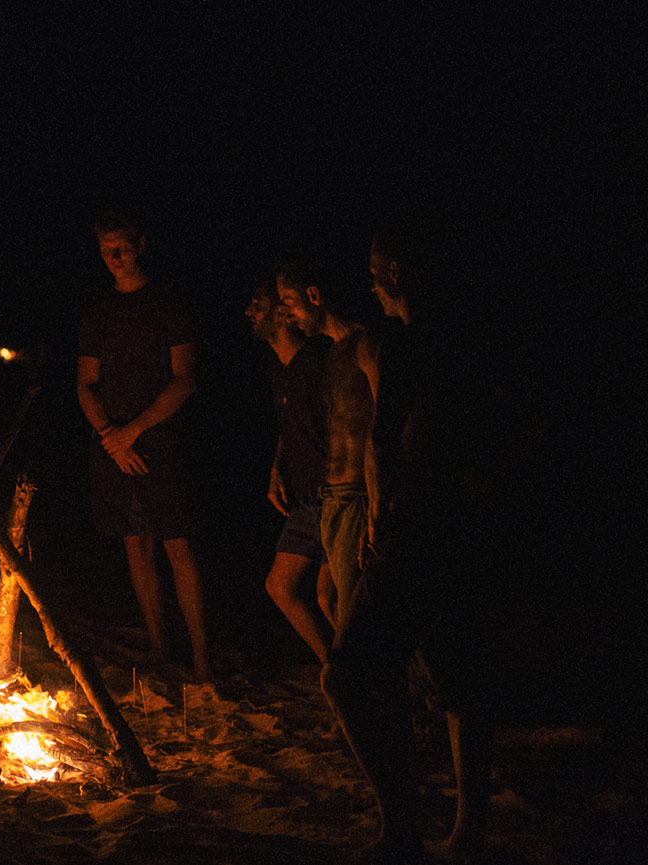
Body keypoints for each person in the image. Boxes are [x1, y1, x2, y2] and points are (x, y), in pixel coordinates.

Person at [323, 224, 494, 864]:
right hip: (464, 525)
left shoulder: (402, 342)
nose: (369, 281)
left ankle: (402, 828)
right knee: (460, 682)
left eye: (375, 269)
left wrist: (377, 523)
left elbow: (381, 436)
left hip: (418, 527)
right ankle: (468, 831)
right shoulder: (470, 338)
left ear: (395, 270)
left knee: (346, 675)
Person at [77, 212, 211, 683]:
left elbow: (185, 379)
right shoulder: (98, 312)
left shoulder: (167, 305)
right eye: (106, 249)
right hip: (114, 449)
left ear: (141, 244)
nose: (114, 257)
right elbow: (85, 384)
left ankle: (201, 659)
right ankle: (159, 648)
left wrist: (133, 431)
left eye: (123, 247)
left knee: (177, 546)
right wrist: (111, 440)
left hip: (161, 444)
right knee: (135, 545)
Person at [276, 261, 377, 635]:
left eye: (290, 300)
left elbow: (383, 431)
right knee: (332, 602)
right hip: (333, 498)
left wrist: (377, 509)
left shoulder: (367, 346)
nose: (286, 313)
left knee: (357, 613)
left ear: (315, 296)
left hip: (357, 496)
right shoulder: (333, 352)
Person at [245, 276, 336, 663]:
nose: (249, 312)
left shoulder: (316, 364)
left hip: (331, 494)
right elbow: (289, 425)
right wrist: (276, 468)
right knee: (286, 588)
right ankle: (337, 671)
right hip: (305, 496)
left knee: (327, 596)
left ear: (283, 314)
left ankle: (354, 678)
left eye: (258, 304)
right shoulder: (276, 366)